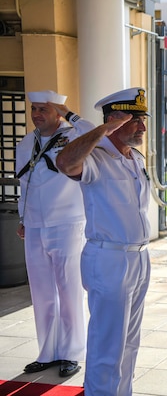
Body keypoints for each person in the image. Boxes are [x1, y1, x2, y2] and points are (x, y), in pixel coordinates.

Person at [56, 87, 151, 396]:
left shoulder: (134, 158)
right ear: (114, 120)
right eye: (136, 120)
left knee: (129, 342)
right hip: (109, 259)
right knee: (108, 342)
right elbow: (65, 163)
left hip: (139, 258)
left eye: (142, 120)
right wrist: (103, 131)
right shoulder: (95, 157)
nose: (143, 128)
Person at [16, 90, 95, 377]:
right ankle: (47, 352)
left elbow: (97, 133)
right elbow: (25, 183)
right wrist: (24, 218)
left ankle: (72, 353)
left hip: (68, 223)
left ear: (58, 111)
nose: (37, 114)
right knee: (42, 293)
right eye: (34, 109)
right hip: (35, 225)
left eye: (44, 109)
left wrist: (70, 113)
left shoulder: (74, 136)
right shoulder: (26, 143)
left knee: (69, 289)